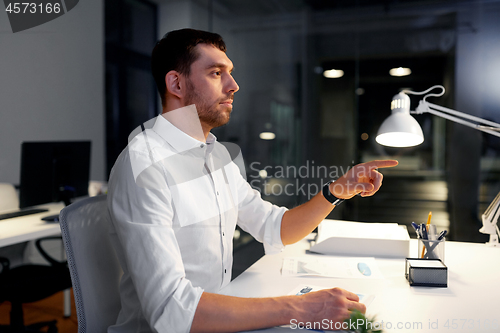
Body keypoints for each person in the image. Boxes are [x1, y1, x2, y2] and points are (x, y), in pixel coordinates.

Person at [107, 28, 398, 333]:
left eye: (229, 73)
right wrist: (300, 307)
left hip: (218, 320)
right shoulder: (143, 166)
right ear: (176, 83)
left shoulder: (216, 155)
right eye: (217, 73)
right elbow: (173, 310)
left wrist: (337, 191)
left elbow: (276, 227)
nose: (234, 85)